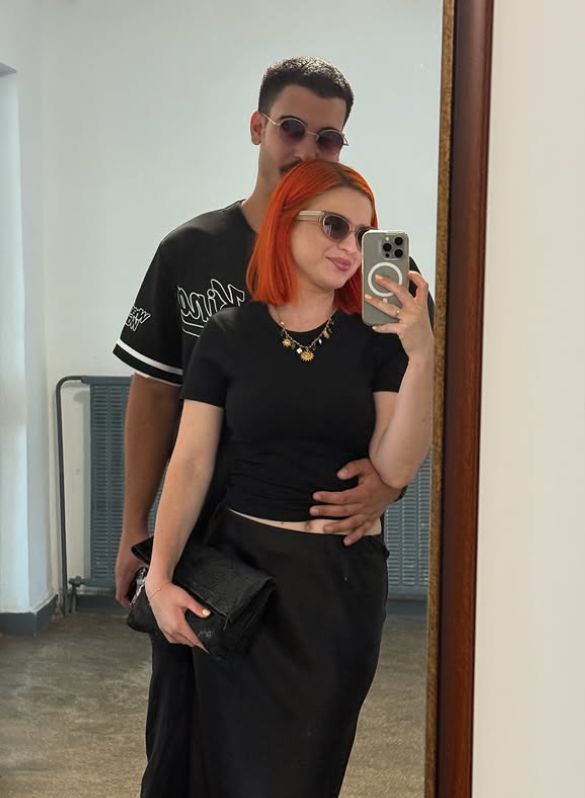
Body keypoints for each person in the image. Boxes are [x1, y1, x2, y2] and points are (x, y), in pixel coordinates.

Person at [113, 56, 428, 797]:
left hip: (328, 567)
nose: (309, 148)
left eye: (329, 138)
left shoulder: (376, 288)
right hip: (211, 549)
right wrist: (138, 533)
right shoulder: (193, 253)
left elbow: (401, 419)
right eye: (292, 128)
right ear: (259, 127)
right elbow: (157, 398)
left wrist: (387, 486)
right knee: (186, 744)